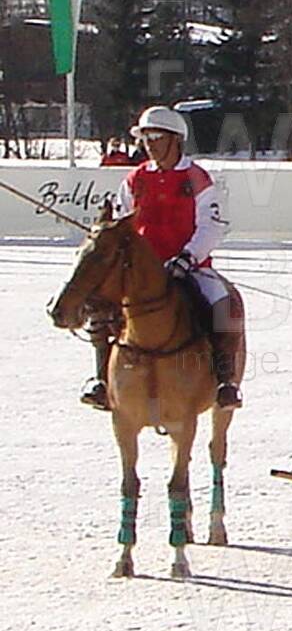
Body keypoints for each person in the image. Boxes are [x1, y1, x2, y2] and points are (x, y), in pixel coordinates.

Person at [85, 106, 241, 411]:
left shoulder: (197, 178)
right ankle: (101, 380)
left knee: (222, 303)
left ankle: (225, 382)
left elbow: (211, 226)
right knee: (101, 309)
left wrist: (187, 258)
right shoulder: (135, 178)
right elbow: (123, 223)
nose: (149, 144)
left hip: (189, 268)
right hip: (141, 272)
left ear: (176, 139)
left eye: (156, 137)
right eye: (145, 138)